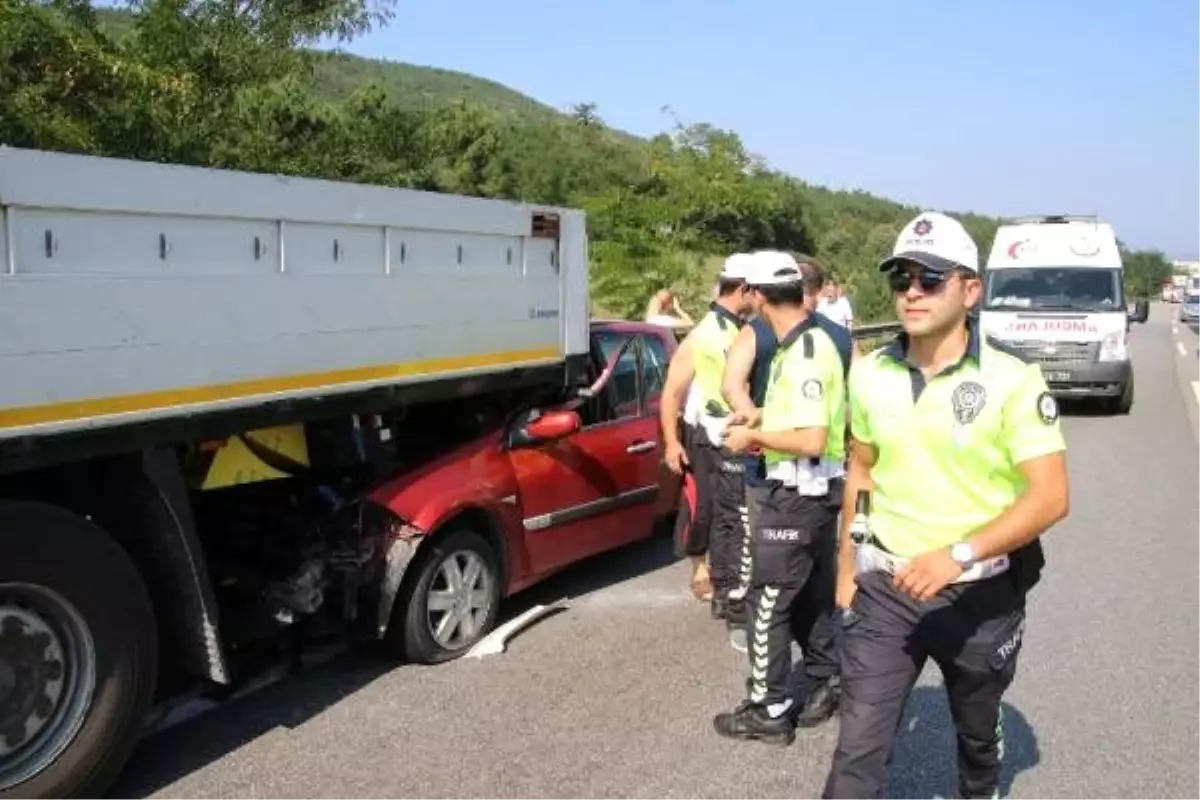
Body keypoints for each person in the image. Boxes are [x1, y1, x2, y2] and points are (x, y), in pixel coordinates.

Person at [821, 212, 1070, 799]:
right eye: (901, 278)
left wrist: (957, 555)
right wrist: (847, 570)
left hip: (981, 593)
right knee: (856, 748)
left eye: (930, 279)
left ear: (970, 290)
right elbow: (861, 470)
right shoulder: (870, 373)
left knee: (977, 734)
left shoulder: (1013, 378)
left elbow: (1051, 496)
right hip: (888, 588)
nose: (911, 291)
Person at [710, 250, 847, 745]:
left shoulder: (806, 351)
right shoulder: (805, 342)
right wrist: (760, 417)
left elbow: (811, 438)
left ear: (760, 296)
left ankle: (768, 707)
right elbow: (800, 415)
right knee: (809, 595)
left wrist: (754, 440)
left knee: (765, 601)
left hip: (796, 492)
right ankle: (825, 678)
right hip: (811, 493)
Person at [659, 254, 756, 608]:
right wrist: (671, 442)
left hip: (734, 436)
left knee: (732, 512)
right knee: (705, 507)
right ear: (743, 288)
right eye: (756, 290)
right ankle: (702, 569)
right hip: (704, 435)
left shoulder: (741, 329)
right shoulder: (704, 334)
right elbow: (671, 391)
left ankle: (729, 577)